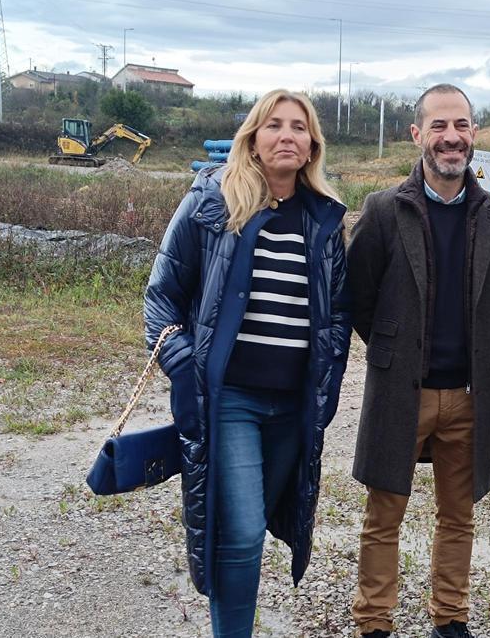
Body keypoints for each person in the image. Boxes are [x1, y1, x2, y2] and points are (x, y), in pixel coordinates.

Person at [143, 89, 351, 637]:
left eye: (299, 128)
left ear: (312, 146)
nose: (287, 135)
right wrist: (183, 362)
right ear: (252, 139)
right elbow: (161, 293)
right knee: (240, 533)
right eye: (274, 125)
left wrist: (326, 392)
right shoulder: (212, 201)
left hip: (294, 404)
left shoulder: (324, 219)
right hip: (231, 398)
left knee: (255, 521)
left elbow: (337, 314)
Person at [347, 83, 490, 638]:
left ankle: (450, 618)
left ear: (474, 134)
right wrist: (396, 351)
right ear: (418, 134)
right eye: (440, 126)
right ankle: (374, 621)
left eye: (462, 126)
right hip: (403, 388)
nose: (452, 138)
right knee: (384, 516)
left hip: (470, 395)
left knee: (459, 515)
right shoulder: (382, 210)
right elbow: (360, 300)